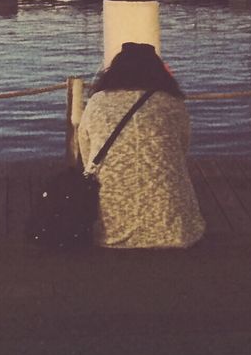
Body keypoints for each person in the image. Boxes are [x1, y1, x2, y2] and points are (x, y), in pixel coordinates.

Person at [76, 41, 205, 249]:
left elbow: (86, 149)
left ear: (115, 71)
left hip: (109, 231)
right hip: (172, 231)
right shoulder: (171, 102)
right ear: (158, 72)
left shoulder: (97, 101)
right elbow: (182, 147)